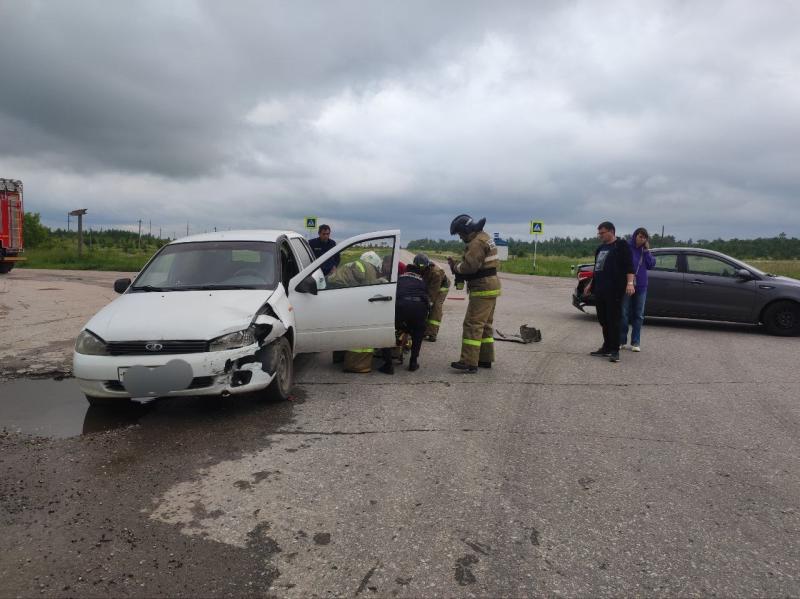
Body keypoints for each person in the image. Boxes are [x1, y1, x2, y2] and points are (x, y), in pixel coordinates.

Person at [447, 214, 500, 373]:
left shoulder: (476, 243)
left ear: (466, 230)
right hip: (491, 286)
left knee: (472, 324)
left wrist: (456, 267)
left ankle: (469, 362)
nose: (461, 237)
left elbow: (470, 267)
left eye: (460, 234)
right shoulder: (485, 237)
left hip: (482, 287)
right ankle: (485, 359)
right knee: (484, 326)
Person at [584, 221, 635, 363]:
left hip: (615, 289)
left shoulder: (621, 245)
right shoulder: (600, 248)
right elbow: (597, 268)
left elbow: (629, 266)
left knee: (614, 320)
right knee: (603, 320)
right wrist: (591, 284)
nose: (600, 236)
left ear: (611, 231)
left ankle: (614, 350)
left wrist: (630, 283)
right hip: (600, 289)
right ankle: (606, 347)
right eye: (599, 233)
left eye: (602, 233)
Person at [378, 254, 431, 374]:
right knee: (418, 333)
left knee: (387, 331)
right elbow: (427, 299)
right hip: (418, 308)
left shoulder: (400, 278)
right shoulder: (422, 281)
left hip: (400, 306)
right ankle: (413, 362)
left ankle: (388, 365)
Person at [620, 227, 656, 351]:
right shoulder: (627, 247)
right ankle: (621, 340)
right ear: (635, 235)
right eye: (640, 236)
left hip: (641, 285)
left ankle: (635, 342)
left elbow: (651, 265)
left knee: (638, 314)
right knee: (624, 313)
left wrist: (646, 251)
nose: (642, 239)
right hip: (626, 284)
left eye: (644, 237)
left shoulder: (644, 250)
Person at [417, 253, 450, 342]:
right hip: (428, 286)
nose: (420, 269)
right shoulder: (418, 267)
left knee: (435, 307)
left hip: (441, 287)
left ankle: (432, 333)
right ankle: (423, 330)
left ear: (427, 265)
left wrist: (429, 302)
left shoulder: (436, 273)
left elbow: (433, 291)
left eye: (422, 268)